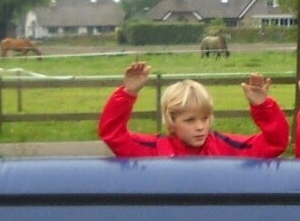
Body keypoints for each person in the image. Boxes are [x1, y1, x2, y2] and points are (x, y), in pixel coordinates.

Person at [98, 62, 289, 158]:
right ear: (171, 121)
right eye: (190, 120)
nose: (200, 127)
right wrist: (128, 93)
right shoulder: (153, 150)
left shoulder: (226, 147)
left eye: (205, 119)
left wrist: (262, 106)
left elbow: (275, 143)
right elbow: (113, 135)